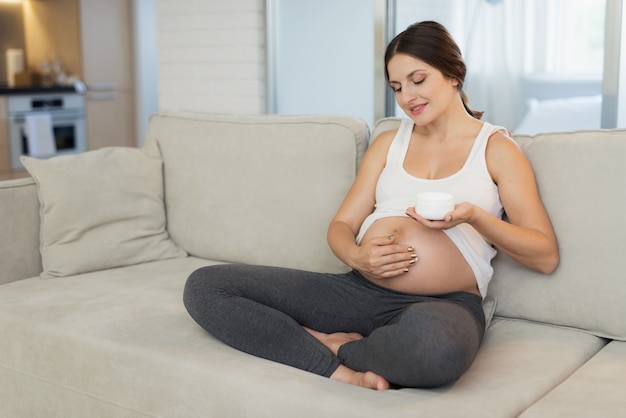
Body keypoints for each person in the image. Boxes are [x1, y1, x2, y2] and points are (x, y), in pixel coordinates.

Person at [183, 21, 559, 391]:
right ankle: (337, 366)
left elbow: (544, 255)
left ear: (453, 74)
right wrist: (358, 258)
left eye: (418, 79)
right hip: (358, 291)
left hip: (443, 303)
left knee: (435, 349)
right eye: (397, 87)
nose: (407, 96)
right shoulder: (387, 143)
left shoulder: (496, 148)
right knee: (206, 287)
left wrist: (473, 216)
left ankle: (337, 346)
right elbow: (341, 226)